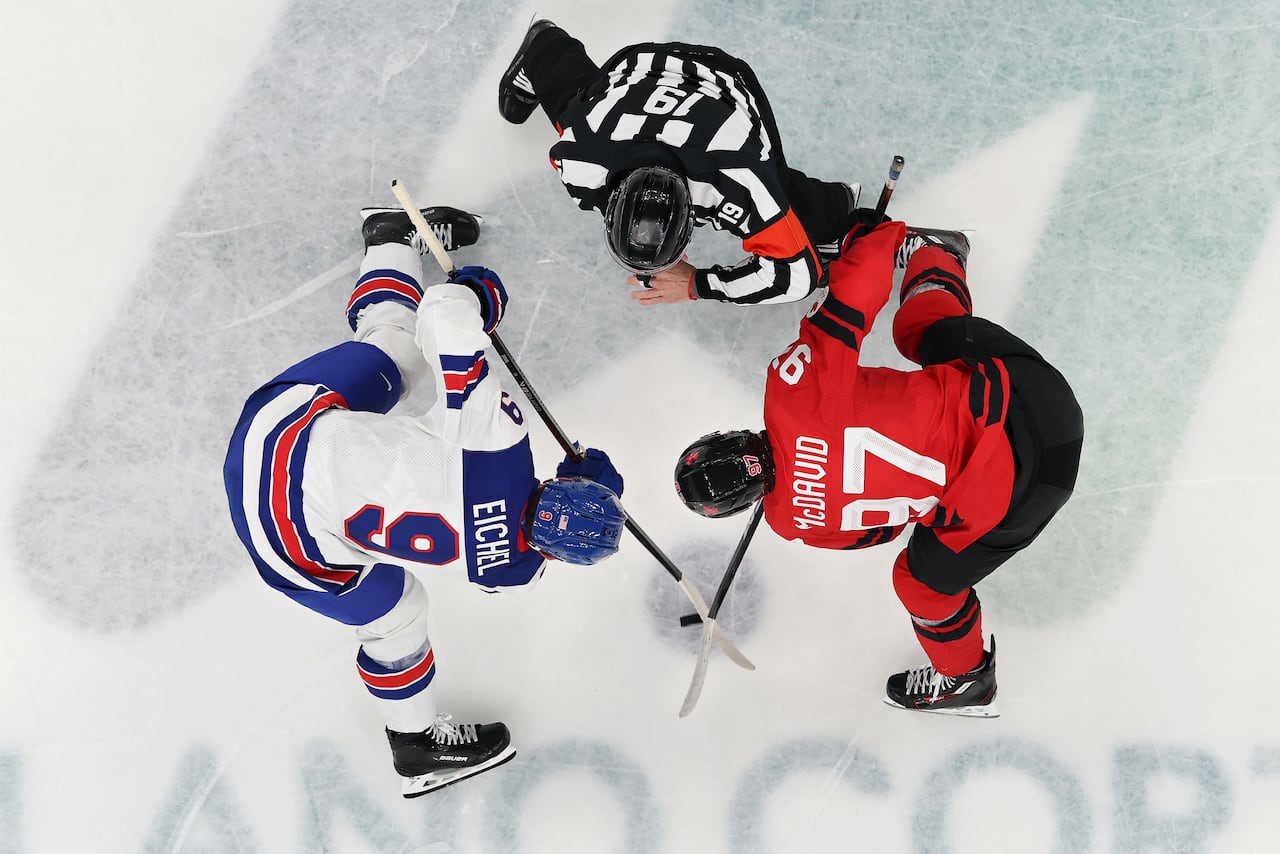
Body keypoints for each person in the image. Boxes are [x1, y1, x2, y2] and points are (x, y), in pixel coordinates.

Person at [223, 205, 628, 797]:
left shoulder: (499, 444)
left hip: (273, 436)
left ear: (561, 484)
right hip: (281, 540)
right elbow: (533, 554)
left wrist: (479, 298)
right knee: (399, 616)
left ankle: (391, 238)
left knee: (402, 352)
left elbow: (445, 322)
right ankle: (414, 743)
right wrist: (596, 503)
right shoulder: (512, 572)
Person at [671, 218, 1084, 716]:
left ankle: (966, 679)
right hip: (1039, 402)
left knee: (921, 582)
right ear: (726, 436)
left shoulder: (792, 524)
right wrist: (869, 236)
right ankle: (937, 254)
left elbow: (884, 532)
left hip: (1026, 498)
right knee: (922, 334)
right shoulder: (790, 393)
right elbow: (857, 294)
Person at [497, 20, 864, 307]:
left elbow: (798, 276)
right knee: (572, 100)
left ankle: (829, 212)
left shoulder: (736, 178)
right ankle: (542, 43)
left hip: (721, 83)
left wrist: (696, 284)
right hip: (637, 74)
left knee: (778, 184)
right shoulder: (578, 156)